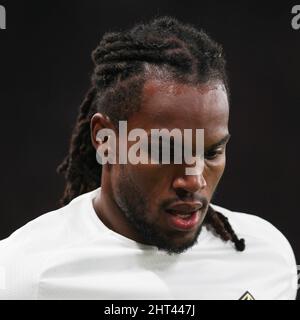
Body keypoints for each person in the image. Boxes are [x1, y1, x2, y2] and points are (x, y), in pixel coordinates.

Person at [0, 16, 297, 300]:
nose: (194, 180)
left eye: (212, 152)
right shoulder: (23, 276)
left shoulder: (265, 259)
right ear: (105, 139)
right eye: (166, 151)